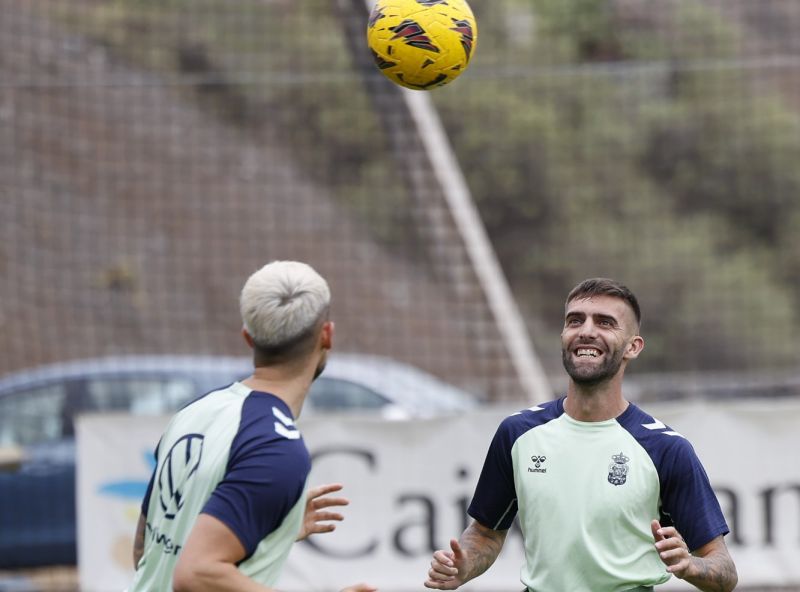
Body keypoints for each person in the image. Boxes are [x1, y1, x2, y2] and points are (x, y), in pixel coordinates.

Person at [424, 278, 737, 592]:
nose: (586, 331)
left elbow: (723, 571)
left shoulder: (666, 449)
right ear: (564, 336)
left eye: (605, 322)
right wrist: (463, 564)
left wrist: (692, 565)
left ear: (633, 346)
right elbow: (485, 534)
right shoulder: (517, 433)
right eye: (575, 320)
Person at [127, 261, 376, 592]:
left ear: (248, 337)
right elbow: (195, 574)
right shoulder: (277, 447)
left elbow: (146, 551)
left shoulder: (195, 412)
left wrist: (271, 532)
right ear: (327, 334)